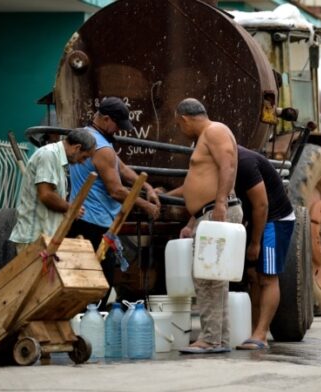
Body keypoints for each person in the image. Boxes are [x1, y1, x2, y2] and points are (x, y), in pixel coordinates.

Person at [67, 97, 161, 310]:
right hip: (95, 225)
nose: (119, 130)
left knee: (83, 280)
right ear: (106, 119)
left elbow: (122, 169)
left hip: (81, 220)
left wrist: (147, 188)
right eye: (117, 125)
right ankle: (90, 330)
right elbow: (116, 190)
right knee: (100, 284)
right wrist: (146, 206)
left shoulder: (90, 137)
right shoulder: (102, 148)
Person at [167, 98, 243, 354]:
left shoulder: (214, 131)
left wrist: (220, 202)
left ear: (185, 118)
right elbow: (200, 184)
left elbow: (228, 165)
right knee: (214, 278)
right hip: (208, 213)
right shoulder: (207, 136)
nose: (180, 129)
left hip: (217, 210)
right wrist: (193, 220)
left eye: (179, 124)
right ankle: (218, 338)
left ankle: (210, 339)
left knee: (207, 277)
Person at [234, 146, 295, 350]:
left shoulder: (244, 163)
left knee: (267, 277)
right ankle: (253, 331)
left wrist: (255, 243)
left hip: (275, 220)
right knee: (252, 276)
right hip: (256, 219)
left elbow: (262, 206)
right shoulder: (226, 160)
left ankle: (261, 334)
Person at [10, 128, 96, 253]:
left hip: (45, 238)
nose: (82, 162)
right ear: (77, 148)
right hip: (34, 238)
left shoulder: (58, 159)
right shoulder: (48, 154)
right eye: (84, 157)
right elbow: (46, 195)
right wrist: (71, 208)